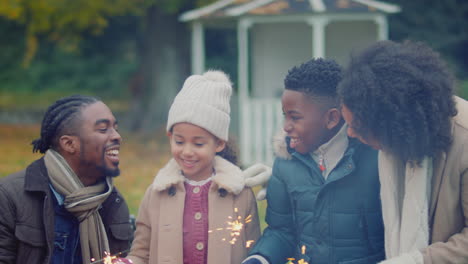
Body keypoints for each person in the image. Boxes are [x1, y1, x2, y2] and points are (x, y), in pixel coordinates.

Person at [338, 40, 468, 264]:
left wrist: (418, 260)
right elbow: (327, 154)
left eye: (357, 128)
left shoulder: (464, 143)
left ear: (392, 125)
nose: (349, 133)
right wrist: (284, 165)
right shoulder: (393, 129)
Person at [244, 58, 385, 264]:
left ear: (331, 119)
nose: (285, 126)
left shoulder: (376, 157)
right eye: (285, 116)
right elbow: (281, 231)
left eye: (295, 117)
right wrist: (260, 258)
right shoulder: (285, 163)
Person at [127, 70, 261, 264]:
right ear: (170, 137)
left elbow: (253, 250)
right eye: (179, 141)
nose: (187, 152)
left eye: (198, 144)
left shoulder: (240, 194)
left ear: (219, 144)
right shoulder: (156, 194)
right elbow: (140, 253)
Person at [0, 95, 133, 264]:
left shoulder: (112, 201)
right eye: (102, 129)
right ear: (69, 144)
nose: (117, 137)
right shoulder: (10, 197)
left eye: (115, 128)